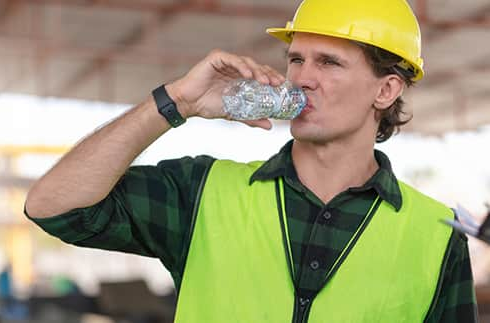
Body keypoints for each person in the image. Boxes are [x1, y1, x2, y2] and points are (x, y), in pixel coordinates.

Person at [24, 0, 478, 322]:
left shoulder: (437, 236)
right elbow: (54, 206)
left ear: (386, 90)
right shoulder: (201, 190)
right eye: (296, 58)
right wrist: (176, 102)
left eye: (329, 63)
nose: (302, 78)